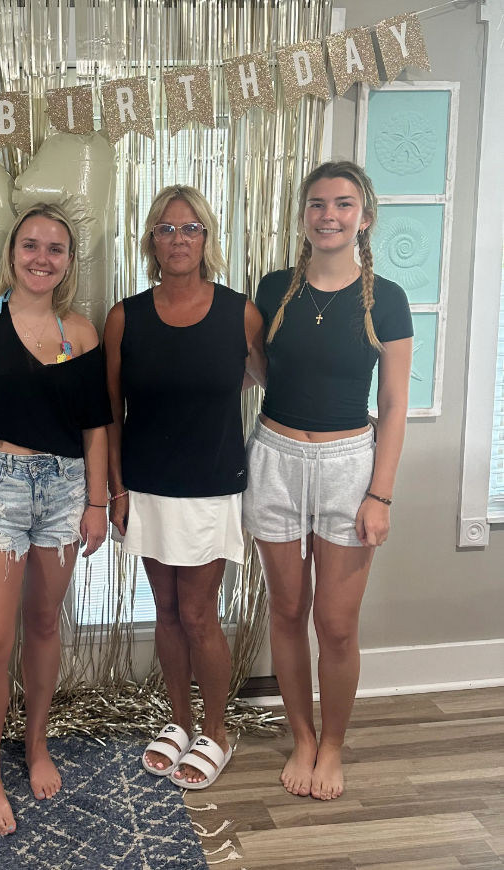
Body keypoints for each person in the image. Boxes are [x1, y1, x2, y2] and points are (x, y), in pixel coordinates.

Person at [243, 160, 413, 800]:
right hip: (276, 458)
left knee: (336, 625)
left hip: (349, 468)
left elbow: (394, 405)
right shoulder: (274, 287)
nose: (329, 215)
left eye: (343, 204)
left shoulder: (387, 299)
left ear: (363, 218)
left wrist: (381, 493)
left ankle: (333, 745)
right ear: (304, 216)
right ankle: (303, 738)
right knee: (286, 612)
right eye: (317, 204)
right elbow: (258, 373)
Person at [0, 203, 111, 835]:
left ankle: (35, 744)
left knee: (43, 625)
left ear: (69, 261)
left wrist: (97, 503)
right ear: (11, 253)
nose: (42, 258)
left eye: (55, 249)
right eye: (30, 245)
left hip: (64, 493)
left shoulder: (81, 330)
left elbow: (96, 427)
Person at [103, 186, 265, 791]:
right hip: (147, 486)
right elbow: (111, 411)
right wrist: (117, 488)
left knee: (198, 614)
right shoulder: (126, 316)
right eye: (166, 229)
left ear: (206, 239)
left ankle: (217, 732)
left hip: (210, 485)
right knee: (166, 611)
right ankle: (178, 721)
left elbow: (267, 381)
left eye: (190, 228)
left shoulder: (239, 312)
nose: (178, 239)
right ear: (152, 241)